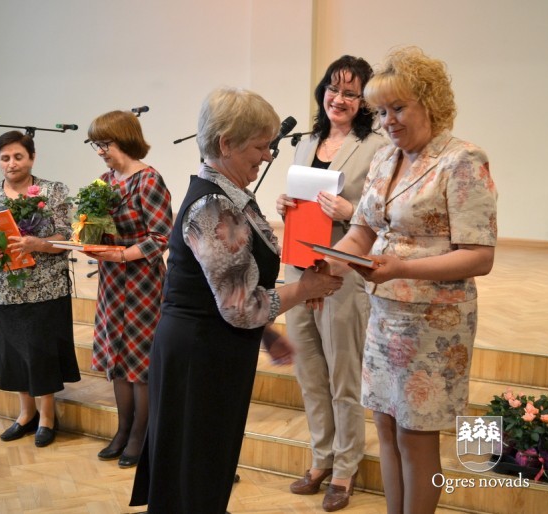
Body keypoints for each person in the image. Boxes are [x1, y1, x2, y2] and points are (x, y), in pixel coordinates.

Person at [130, 87, 344, 514]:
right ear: (226, 143)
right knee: (194, 472)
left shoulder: (226, 195)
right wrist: (305, 289)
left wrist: (267, 334)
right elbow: (239, 306)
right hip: (200, 355)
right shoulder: (212, 206)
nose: (267, 155)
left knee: (205, 466)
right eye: (260, 146)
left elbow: (230, 285)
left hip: (212, 349)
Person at [332, 47, 497, 514]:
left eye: (398, 108)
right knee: (386, 429)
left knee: (415, 435)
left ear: (430, 103)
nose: (388, 121)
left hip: (433, 321)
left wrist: (401, 267)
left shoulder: (462, 159)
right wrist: (328, 263)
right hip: (385, 314)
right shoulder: (385, 158)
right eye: (381, 111)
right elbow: (362, 233)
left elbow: (480, 256)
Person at [275, 56, 387, 511]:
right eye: (333, 89)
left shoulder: (377, 146)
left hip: (342, 272)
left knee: (343, 376)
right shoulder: (306, 142)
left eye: (350, 93)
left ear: (364, 101)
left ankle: (345, 467)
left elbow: (384, 215)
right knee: (309, 372)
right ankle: (321, 457)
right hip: (299, 269)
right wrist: (283, 203)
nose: (339, 99)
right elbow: (302, 202)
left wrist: (351, 212)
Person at [0, 131, 80, 447]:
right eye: (5, 158)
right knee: (13, 352)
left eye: (18, 156)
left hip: (45, 288)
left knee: (42, 353)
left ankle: (47, 416)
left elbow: (67, 236)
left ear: (32, 157)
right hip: (3, 290)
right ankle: (26, 414)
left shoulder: (52, 191)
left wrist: (38, 244)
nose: (12, 163)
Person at [85, 110, 172, 469]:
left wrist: (121, 254)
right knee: (118, 358)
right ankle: (123, 430)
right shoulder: (105, 181)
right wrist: (86, 237)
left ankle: (140, 434)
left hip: (142, 281)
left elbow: (161, 237)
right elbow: (96, 228)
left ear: (123, 138)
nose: (100, 151)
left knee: (140, 362)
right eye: (95, 144)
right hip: (111, 280)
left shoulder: (148, 180)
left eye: (104, 143)